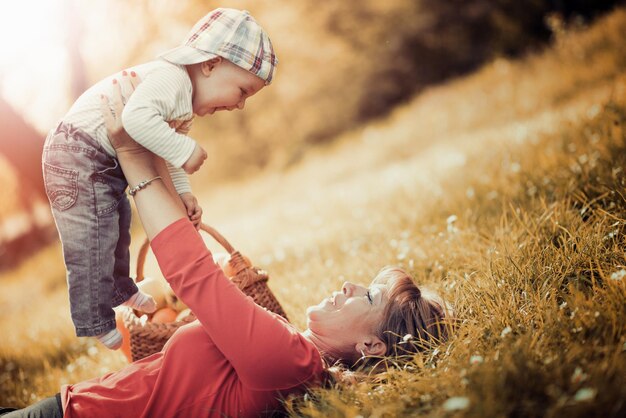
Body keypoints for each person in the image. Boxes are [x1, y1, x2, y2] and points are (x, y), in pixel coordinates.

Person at [3, 75, 451, 417]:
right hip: (73, 404)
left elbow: (192, 275)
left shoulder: (289, 360)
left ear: (372, 346)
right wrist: (155, 148)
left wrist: (132, 154)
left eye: (369, 295)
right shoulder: (290, 351)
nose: (351, 284)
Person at [41, 8, 277, 350]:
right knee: (93, 237)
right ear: (210, 64)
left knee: (118, 223)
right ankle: (94, 318)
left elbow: (162, 151)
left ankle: (121, 289)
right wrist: (185, 148)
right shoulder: (172, 79)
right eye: (242, 90)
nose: (240, 105)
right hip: (76, 151)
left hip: (97, 159)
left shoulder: (182, 103)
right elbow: (136, 120)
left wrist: (183, 193)